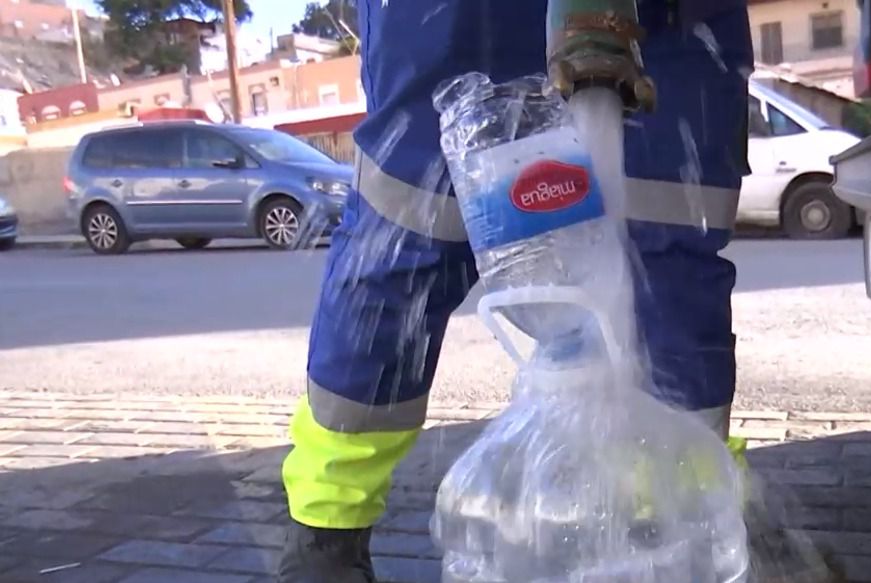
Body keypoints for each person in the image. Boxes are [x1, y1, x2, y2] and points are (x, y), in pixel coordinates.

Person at [278, 1, 752, 581]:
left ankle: (687, 514)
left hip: (672, 16)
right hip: (464, 15)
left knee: (671, 235)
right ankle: (328, 532)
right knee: (409, 228)